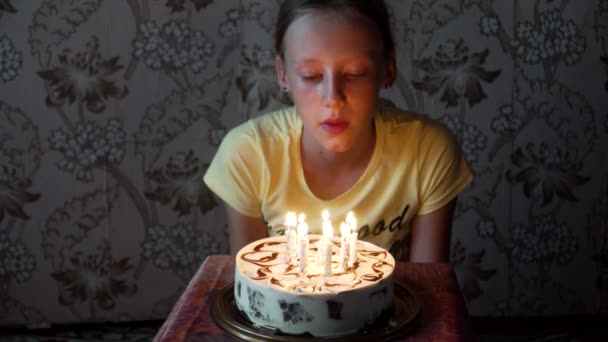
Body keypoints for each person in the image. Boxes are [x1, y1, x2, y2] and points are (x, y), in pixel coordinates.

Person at [203, 0, 473, 262]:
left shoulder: (427, 152)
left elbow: (431, 289)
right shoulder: (248, 155)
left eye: (355, 74)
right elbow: (251, 288)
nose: (333, 98)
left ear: (388, 68)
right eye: (311, 75)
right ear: (283, 74)